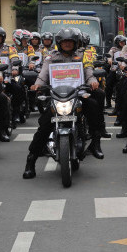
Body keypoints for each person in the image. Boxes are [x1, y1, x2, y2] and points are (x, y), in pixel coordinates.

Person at [22, 28, 104, 179]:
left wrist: (92, 82)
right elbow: (43, 73)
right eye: (64, 42)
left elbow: (88, 71)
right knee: (44, 126)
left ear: (75, 43)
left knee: (93, 105)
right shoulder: (51, 56)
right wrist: (37, 85)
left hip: (78, 94)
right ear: (59, 43)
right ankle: (31, 160)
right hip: (57, 97)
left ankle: (95, 143)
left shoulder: (82, 55)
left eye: (70, 42)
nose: (67, 44)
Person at [0, 26, 25, 128]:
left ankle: (16, 113)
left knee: (18, 89)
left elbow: (14, 59)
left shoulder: (10, 49)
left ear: (3, 38)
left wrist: (15, 69)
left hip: (7, 78)